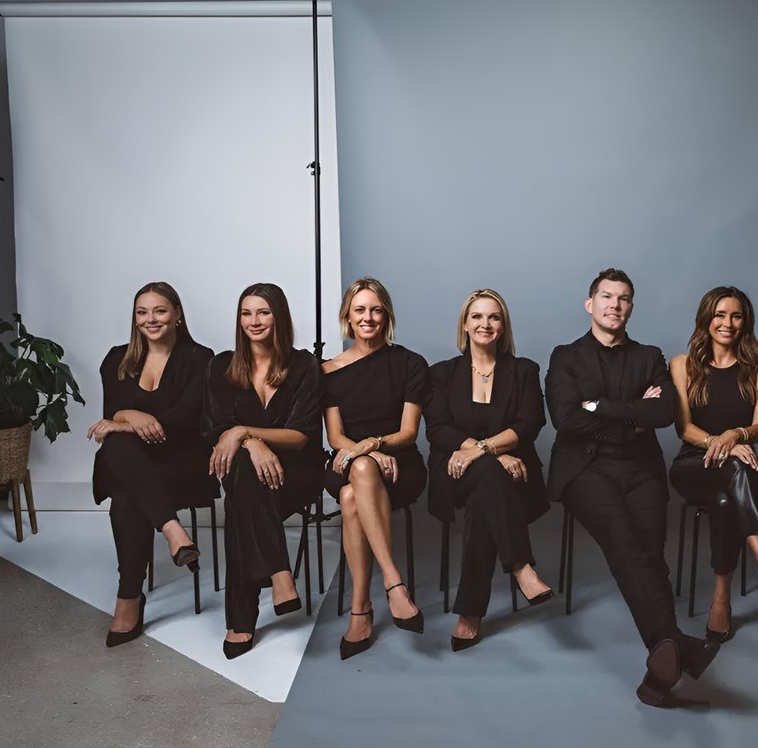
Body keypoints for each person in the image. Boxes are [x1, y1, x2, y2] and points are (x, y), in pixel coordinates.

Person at [545, 268, 720, 708]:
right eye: (606, 297)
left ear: (630, 308)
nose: (614, 305)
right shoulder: (565, 356)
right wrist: (630, 414)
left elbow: (662, 414)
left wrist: (600, 407)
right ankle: (673, 644)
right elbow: (565, 419)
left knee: (648, 553)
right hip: (584, 470)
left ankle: (659, 675)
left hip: (641, 469)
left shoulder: (649, 355)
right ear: (590, 304)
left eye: (623, 299)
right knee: (626, 545)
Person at [668, 286, 758, 642]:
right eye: (720, 314)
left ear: (745, 322)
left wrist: (734, 436)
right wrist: (721, 445)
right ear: (706, 318)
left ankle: (721, 599)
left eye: (736, 316)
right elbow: (684, 429)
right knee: (731, 473)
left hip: (742, 467)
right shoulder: (682, 364)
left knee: (725, 499)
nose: (727, 323)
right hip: (693, 464)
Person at [425, 289, 554, 652]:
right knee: (489, 476)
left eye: (494, 317)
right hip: (453, 473)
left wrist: (482, 451)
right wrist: (494, 454)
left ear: (503, 325)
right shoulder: (441, 373)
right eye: (477, 316)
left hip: (513, 479)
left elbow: (530, 423)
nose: (485, 324)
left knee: (487, 490)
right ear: (465, 324)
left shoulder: (524, 370)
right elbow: (438, 430)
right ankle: (520, 567)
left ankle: (470, 614)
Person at [88, 281, 215, 648]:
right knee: (119, 450)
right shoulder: (116, 358)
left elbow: (188, 419)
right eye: (142, 312)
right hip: (133, 462)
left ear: (177, 314)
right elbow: (109, 414)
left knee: (124, 477)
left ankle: (128, 599)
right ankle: (173, 531)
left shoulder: (200, 358)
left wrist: (128, 419)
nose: (151, 319)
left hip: (183, 462)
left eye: (159, 310)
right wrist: (128, 415)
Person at [203, 283, 325, 659]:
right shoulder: (221, 366)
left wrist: (243, 431)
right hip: (246, 475)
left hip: (296, 475)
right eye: (246, 313)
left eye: (263, 312)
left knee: (240, 499)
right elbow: (215, 428)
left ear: (279, 317)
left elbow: (301, 436)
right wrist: (250, 442)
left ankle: (242, 620)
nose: (253, 321)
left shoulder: (304, 365)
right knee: (243, 473)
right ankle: (279, 573)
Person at [323, 277, 428, 659]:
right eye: (360, 310)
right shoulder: (329, 370)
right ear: (347, 318)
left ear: (387, 316)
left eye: (376, 310)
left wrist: (376, 445)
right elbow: (335, 437)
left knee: (352, 494)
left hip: (400, 463)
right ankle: (394, 582)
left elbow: (409, 432)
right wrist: (363, 453)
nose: (368, 317)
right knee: (358, 476)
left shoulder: (410, 364)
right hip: (346, 458)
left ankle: (360, 610)